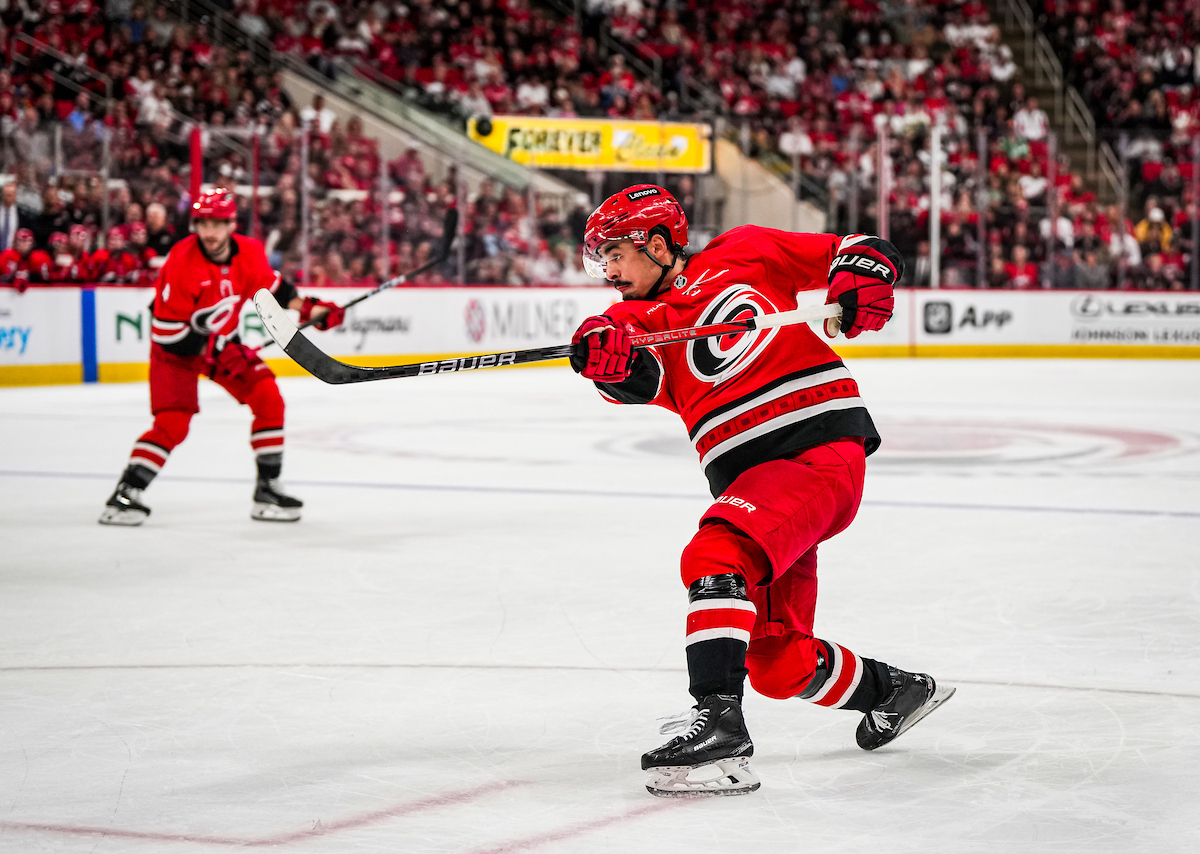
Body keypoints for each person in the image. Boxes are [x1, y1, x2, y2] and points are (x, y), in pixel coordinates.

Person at [569, 185, 954, 798]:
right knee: (778, 663)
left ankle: (720, 727)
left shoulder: (746, 250)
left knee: (716, 553)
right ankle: (898, 692)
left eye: (616, 253)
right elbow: (628, 370)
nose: (609, 272)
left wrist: (863, 274)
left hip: (817, 453)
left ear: (660, 244)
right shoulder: (634, 323)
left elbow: (855, 248)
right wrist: (600, 354)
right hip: (758, 488)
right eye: (602, 259)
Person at [99, 188, 347, 526]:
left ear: (231, 224)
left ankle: (268, 489)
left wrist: (311, 309)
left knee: (268, 398)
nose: (209, 232)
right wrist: (216, 350)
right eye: (203, 224)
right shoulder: (182, 261)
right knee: (173, 424)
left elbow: (273, 289)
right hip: (175, 353)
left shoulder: (249, 252)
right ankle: (126, 494)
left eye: (217, 224)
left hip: (221, 346)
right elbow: (166, 333)